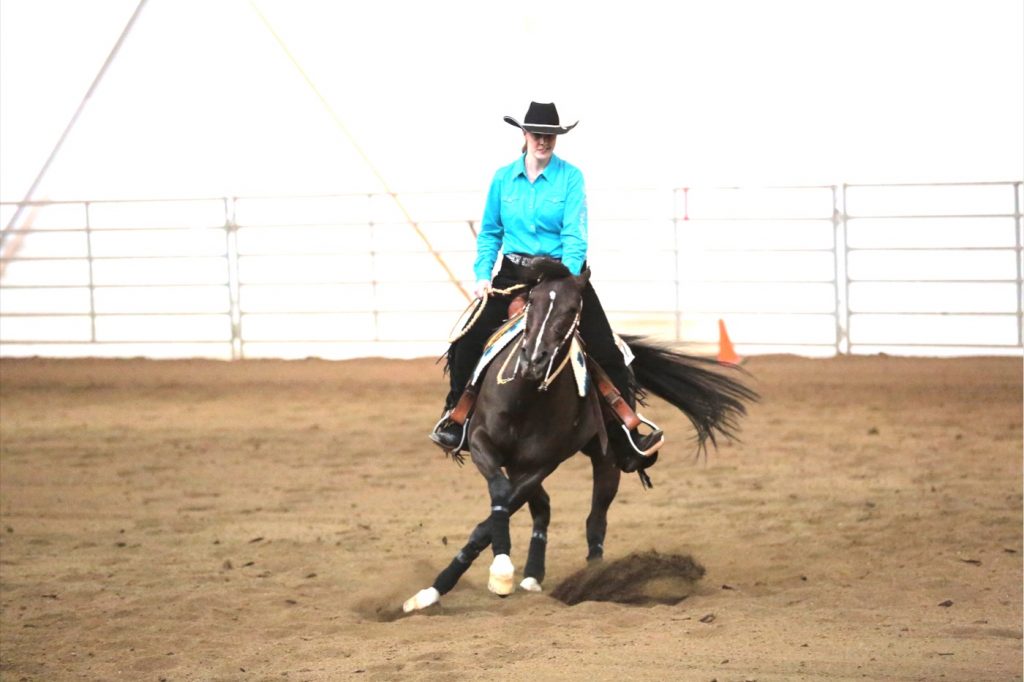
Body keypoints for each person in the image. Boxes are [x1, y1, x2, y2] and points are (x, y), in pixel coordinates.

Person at [429, 101, 662, 472]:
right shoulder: (503, 179)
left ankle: (627, 434)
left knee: (607, 351)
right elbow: (490, 232)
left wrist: (566, 282)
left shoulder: (571, 178)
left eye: (550, 135)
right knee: (466, 341)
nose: (544, 141)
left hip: (561, 276)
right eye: (537, 134)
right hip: (512, 275)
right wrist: (481, 275)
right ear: (524, 135)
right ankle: (457, 416)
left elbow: (575, 234)